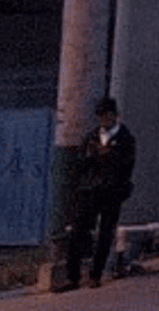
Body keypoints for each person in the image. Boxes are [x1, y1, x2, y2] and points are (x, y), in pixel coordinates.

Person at [63, 98, 136, 289]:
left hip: (112, 191)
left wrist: (107, 156)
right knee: (78, 230)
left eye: (107, 115)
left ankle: (95, 274)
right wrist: (92, 157)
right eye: (101, 116)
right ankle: (72, 277)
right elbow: (81, 164)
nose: (104, 119)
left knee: (105, 233)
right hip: (90, 190)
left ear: (115, 115)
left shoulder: (126, 138)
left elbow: (126, 165)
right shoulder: (91, 138)